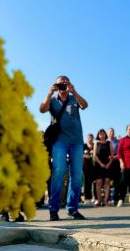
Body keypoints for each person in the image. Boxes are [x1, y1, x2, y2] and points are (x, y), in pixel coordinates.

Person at [39, 75, 88, 221]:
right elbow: (42, 109)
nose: (63, 86)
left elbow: (85, 105)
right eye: (60, 84)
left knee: (77, 175)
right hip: (59, 142)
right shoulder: (53, 100)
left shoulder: (74, 98)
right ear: (55, 85)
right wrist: (49, 94)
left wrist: (74, 92)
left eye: (65, 83)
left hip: (77, 142)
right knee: (58, 172)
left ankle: (72, 209)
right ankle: (53, 209)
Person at [93, 129, 114, 206]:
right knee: (98, 183)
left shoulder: (109, 143)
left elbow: (112, 155)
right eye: (100, 134)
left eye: (103, 134)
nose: (102, 135)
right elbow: (94, 155)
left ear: (105, 135)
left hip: (107, 164)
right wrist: (100, 163)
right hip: (98, 165)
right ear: (98, 135)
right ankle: (98, 200)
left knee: (107, 183)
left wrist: (109, 163)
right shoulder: (96, 143)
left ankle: (106, 200)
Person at [108, 127, 121, 205]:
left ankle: (114, 199)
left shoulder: (118, 141)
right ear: (107, 133)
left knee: (116, 182)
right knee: (107, 182)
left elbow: (120, 152)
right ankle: (107, 199)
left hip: (116, 162)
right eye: (110, 132)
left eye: (113, 131)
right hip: (107, 163)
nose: (111, 133)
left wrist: (114, 157)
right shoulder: (105, 142)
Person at [82, 134, 95, 205]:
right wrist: (85, 155)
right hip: (86, 167)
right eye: (89, 137)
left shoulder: (95, 145)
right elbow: (80, 153)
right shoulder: (84, 145)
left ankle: (95, 198)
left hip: (94, 166)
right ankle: (87, 198)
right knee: (87, 183)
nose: (90, 138)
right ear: (87, 138)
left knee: (95, 182)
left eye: (91, 137)